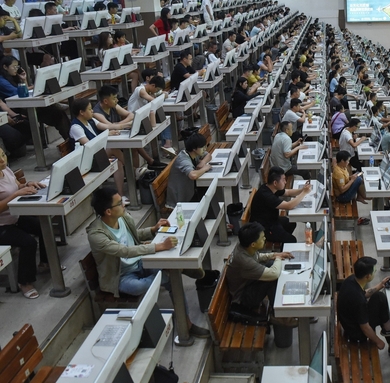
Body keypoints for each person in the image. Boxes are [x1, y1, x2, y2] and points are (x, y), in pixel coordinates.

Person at [87, 187, 211, 338]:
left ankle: (187, 324)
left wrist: (153, 230)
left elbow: (134, 235)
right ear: (108, 211)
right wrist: (158, 246)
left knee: (171, 278)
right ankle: (174, 271)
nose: (124, 204)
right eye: (120, 203)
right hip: (121, 276)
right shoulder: (96, 234)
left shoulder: (123, 218)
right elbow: (124, 251)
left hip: (140, 263)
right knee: (143, 285)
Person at [0, 148, 48, 298]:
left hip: (15, 216)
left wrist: (27, 185)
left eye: (2, 155)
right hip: (2, 225)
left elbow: (17, 186)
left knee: (43, 227)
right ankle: (25, 282)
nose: (2, 160)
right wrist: (15, 195)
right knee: (28, 242)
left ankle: (46, 262)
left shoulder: (6, 170)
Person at [225, 222, 296, 325]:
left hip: (248, 284)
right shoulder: (244, 261)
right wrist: (278, 258)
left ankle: (281, 307)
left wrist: (274, 255)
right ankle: (278, 316)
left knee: (272, 264)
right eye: (262, 237)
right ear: (253, 244)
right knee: (271, 278)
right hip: (243, 299)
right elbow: (274, 274)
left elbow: (258, 256)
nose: (265, 239)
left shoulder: (245, 246)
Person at [69, 98, 129, 201]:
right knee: (113, 148)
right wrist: (106, 135)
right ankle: (131, 168)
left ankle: (121, 195)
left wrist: (124, 125)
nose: (92, 111)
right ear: (81, 112)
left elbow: (106, 126)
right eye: (89, 109)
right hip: (85, 160)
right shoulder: (76, 127)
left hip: (97, 154)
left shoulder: (91, 120)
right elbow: (89, 145)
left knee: (118, 163)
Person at [0, 56, 71, 141]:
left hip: (26, 104)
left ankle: (70, 139)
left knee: (58, 112)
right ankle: (70, 140)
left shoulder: (13, 77)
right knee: (56, 113)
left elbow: (24, 91)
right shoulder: (1, 81)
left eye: (17, 66)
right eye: (14, 66)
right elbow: (19, 92)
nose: (16, 69)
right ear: (5, 67)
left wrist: (24, 79)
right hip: (19, 109)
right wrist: (37, 85)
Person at [337, 257, 390, 356]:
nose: (376, 271)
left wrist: (381, 285)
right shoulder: (358, 300)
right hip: (356, 333)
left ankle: (387, 329)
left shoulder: (351, 280)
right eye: (374, 271)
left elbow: (364, 293)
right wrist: (378, 341)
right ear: (368, 276)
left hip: (350, 320)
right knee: (381, 307)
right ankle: (388, 331)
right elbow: (365, 327)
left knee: (379, 297)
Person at [251, 166, 312, 244]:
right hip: (265, 228)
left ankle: (282, 242)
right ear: (275, 183)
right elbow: (289, 206)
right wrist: (304, 193)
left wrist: (303, 189)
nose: (285, 182)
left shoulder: (270, 187)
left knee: (290, 223)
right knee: (292, 240)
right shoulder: (267, 196)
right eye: (283, 180)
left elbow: (288, 192)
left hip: (272, 220)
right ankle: (283, 244)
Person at [127, 73, 174, 152]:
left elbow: (163, 94)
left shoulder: (150, 91)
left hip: (144, 118)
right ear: (152, 85)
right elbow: (153, 101)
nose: (157, 91)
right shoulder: (140, 90)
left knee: (164, 120)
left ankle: (166, 145)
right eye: (157, 89)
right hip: (134, 119)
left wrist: (161, 94)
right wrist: (159, 95)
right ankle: (165, 146)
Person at [166, 133, 212, 208]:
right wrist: (205, 168)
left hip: (190, 191)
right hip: (180, 199)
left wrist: (203, 162)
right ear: (194, 148)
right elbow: (193, 175)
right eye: (202, 147)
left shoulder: (193, 153)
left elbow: (208, 155)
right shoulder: (183, 159)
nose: (205, 149)